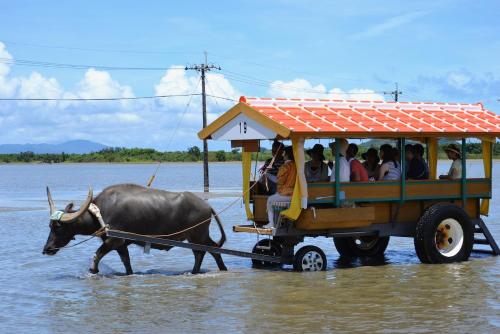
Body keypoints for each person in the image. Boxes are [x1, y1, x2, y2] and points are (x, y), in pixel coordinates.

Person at [264, 146, 296, 228]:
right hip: (297, 195)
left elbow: (279, 181)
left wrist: (267, 175)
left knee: (270, 200)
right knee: (274, 197)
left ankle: (271, 224)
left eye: (284, 154)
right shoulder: (298, 165)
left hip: (288, 195)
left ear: (287, 155)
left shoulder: (285, 166)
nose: (283, 155)